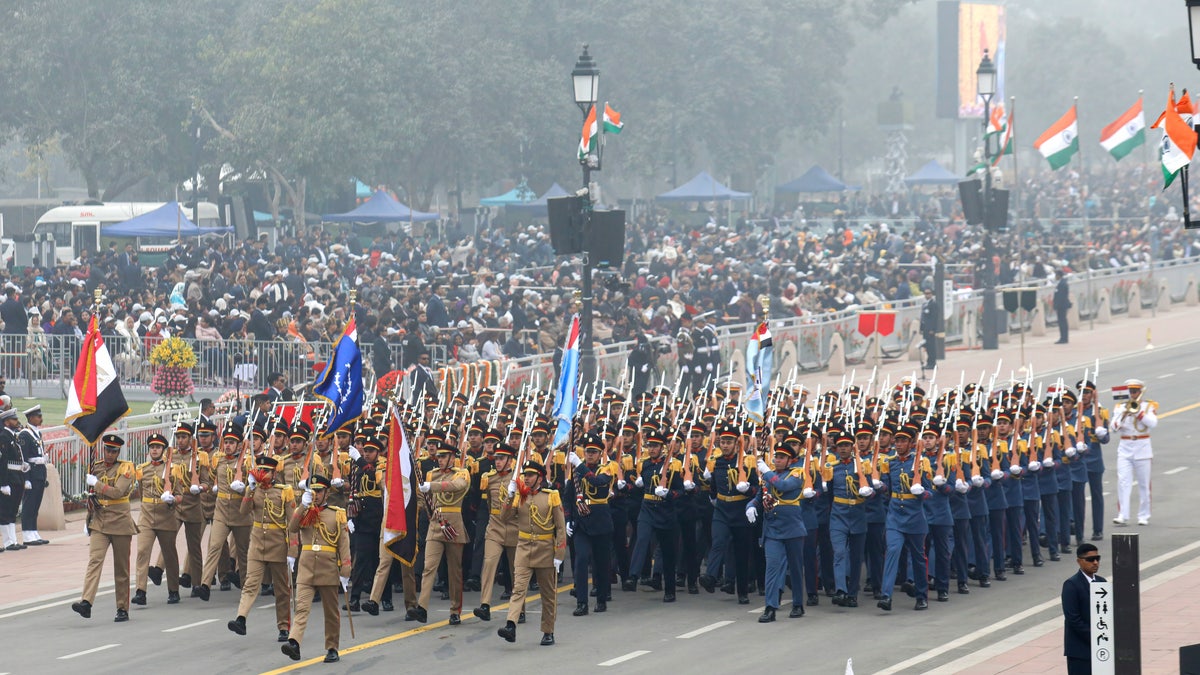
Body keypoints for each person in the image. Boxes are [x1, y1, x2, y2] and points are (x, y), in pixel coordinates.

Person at [496, 460, 566, 647]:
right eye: (525, 475)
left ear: (540, 478)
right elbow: (504, 518)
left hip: (545, 549)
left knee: (547, 594)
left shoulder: (551, 496)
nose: (526, 478)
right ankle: (511, 625)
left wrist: (559, 555)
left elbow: (560, 528)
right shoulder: (520, 496)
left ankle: (548, 631)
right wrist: (509, 497)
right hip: (524, 547)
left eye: (530, 475)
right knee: (518, 589)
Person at [282, 475, 350, 664]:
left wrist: (345, 571)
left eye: (319, 491)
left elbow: (344, 545)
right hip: (306, 567)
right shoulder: (304, 511)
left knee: (331, 613)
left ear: (327, 492)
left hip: (328, 567)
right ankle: (294, 642)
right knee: (301, 608)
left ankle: (332, 647)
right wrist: (302, 506)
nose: (316, 495)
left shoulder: (337, 513)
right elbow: (292, 527)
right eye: (313, 491)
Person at [228, 455, 295, 642]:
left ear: (275, 473)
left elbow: (293, 524)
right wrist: (249, 490)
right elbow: (243, 512)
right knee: (250, 583)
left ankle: (283, 626)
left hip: (278, 546)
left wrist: (293, 551)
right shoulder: (254, 490)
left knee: (281, 589)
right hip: (257, 544)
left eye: (267, 471)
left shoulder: (284, 491)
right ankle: (241, 618)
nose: (263, 474)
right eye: (261, 470)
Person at [72, 434, 137, 622]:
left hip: (120, 522)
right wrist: (88, 521)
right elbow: (92, 498)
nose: (109, 454)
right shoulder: (97, 466)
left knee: (121, 568)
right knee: (94, 561)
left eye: (113, 451)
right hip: (100, 521)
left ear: (118, 452)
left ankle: (122, 608)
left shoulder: (125, 468)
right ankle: (86, 602)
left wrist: (96, 484)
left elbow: (118, 491)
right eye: (107, 450)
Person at [749, 442, 812, 622]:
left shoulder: (797, 473)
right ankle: (770, 607)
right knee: (772, 567)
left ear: (790, 460)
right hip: (773, 528)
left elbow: (783, 486)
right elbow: (760, 497)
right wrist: (751, 507)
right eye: (776, 456)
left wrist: (766, 472)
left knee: (795, 568)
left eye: (782, 457)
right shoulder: (769, 476)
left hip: (792, 528)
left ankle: (798, 603)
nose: (777, 460)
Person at [411, 442, 470, 624]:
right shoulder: (432, 474)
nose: (440, 459)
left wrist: (431, 486)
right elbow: (423, 498)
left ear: (453, 457)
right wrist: (428, 510)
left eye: (444, 456)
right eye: (439, 456)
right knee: (429, 567)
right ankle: (422, 608)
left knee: (454, 571)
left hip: (453, 526)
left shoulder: (462, 473)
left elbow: (456, 486)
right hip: (436, 525)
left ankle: (455, 610)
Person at [132, 433, 183, 606]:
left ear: (163, 450)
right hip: (146, 516)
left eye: (158, 447)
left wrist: (173, 500)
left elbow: (180, 494)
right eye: (152, 447)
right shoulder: (142, 469)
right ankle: (140, 591)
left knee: (169, 554)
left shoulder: (172, 469)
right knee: (142, 551)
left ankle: (173, 590)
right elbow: (140, 492)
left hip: (166, 516)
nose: (154, 450)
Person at [1110, 379, 1156, 526]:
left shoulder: (1148, 405)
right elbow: (1114, 427)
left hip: (1142, 447)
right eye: (1130, 391)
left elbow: (1153, 423)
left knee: (1143, 483)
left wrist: (1139, 413)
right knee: (1123, 482)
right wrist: (1124, 414)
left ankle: (1144, 515)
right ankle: (1123, 514)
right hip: (1125, 447)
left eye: (1135, 391)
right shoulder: (1120, 406)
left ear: (1140, 391)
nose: (1133, 394)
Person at [1061, 543, 1104, 675]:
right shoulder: (1071, 585)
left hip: (1101, 648)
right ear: (1079, 561)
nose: (1095, 562)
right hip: (1080, 650)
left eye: (1097, 558)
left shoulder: (1102, 583)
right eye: (1090, 559)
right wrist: (1094, 636)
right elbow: (1073, 618)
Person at [18, 405, 49, 546]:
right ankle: (27, 533)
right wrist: (26, 479)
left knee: (36, 504)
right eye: (38, 416)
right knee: (29, 504)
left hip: (39, 472)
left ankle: (33, 531)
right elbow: (24, 459)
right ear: (31, 418)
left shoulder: (37, 433)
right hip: (31, 473)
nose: (41, 419)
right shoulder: (25, 434)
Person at [0, 407, 26, 550]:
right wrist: (3, 483)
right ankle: (8, 541)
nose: (17, 421)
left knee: (13, 511)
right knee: (6, 510)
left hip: (17, 476)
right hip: (9, 478)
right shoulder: (3, 437)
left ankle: (13, 540)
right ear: (6, 422)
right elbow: (2, 462)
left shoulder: (13, 436)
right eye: (14, 419)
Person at [919, 287, 939, 370]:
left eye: (929, 293)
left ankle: (932, 363)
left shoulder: (933, 304)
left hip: (930, 329)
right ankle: (928, 362)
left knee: (931, 347)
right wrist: (921, 328)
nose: (927, 295)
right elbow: (923, 317)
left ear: (932, 294)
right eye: (926, 293)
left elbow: (934, 317)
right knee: (926, 346)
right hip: (925, 329)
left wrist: (933, 329)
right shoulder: (924, 304)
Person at [1053, 269, 1071, 344]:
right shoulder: (1061, 283)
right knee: (1062, 321)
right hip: (1062, 305)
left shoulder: (1062, 284)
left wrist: (1057, 305)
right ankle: (1063, 337)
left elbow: (1061, 296)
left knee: (1062, 322)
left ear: (1058, 276)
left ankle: (1064, 338)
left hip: (1062, 306)